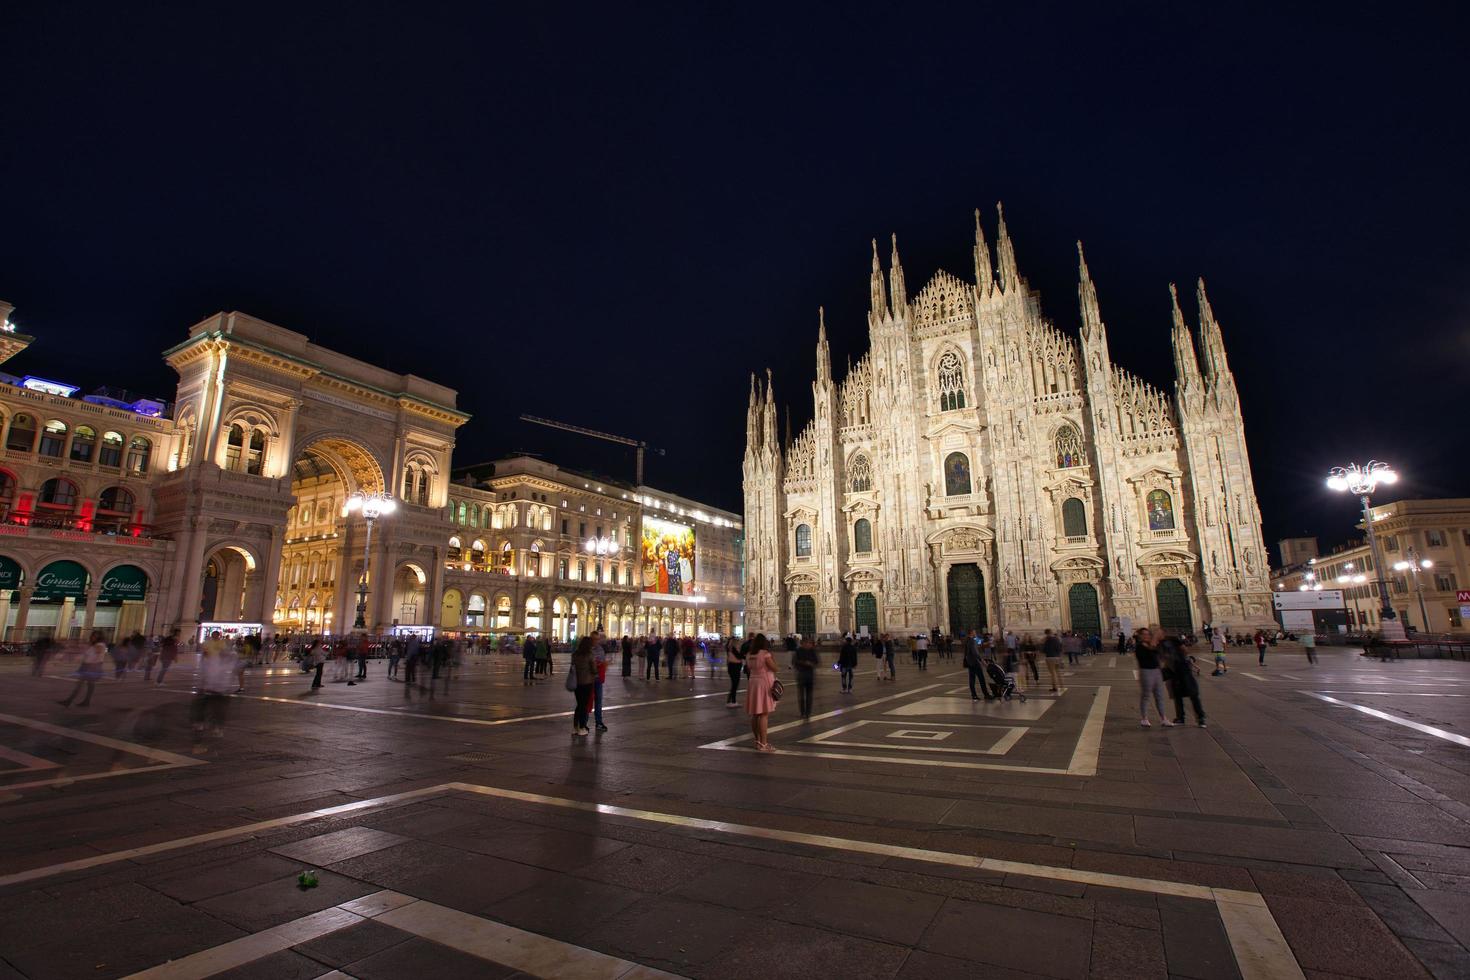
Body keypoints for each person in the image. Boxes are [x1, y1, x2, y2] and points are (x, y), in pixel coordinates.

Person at [1159, 627, 1206, 727]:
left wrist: (1180, 660)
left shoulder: (1172, 639)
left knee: (1191, 694)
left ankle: (1199, 718)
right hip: (1176, 670)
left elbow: (1184, 650)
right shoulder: (1161, 643)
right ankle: (1182, 718)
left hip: (1182, 669)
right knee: (1179, 695)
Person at [744, 633, 779, 752]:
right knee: (764, 714)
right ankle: (764, 743)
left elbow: (748, 668)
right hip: (764, 683)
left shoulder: (749, 655)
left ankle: (758, 741)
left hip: (753, 682)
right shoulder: (765, 654)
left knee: (755, 713)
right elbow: (775, 668)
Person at [1134, 627, 1173, 727]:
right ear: (1140, 636)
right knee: (1146, 695)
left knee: (1159, 695)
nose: (1147, 636)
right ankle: (1144, 718)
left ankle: (1163, 718)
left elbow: (1159, 653)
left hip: (1156, 671)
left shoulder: (1152, 645)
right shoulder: (1139, 647)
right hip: (1146, 672)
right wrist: (1154, 638)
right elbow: (1149, 651)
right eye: (1144, 634)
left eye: (1148, 634)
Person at [59, 632, 108, 708]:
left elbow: (98, 656)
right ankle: (86, 702)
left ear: (99, 637)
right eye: (92, 636)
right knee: (89, 685)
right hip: (86, 666)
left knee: (81, 684)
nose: (93, 637)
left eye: (95, 636)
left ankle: (69, 701)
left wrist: (92, 666)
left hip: (91, 667)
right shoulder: (93, 645)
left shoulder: (100, 645)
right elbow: (87, 655)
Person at [570, 636, 596, 737]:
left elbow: (572, 667)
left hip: (576, 682)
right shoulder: (590, 655)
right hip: (587, 682)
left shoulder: (575, 654)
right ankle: (582, 727)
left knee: (579, 704)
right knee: (584, 705)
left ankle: (575, 727)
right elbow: (594, 669)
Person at [793, 635, 819, 718]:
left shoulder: (812, 651)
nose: (808, 644)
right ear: (802, 643)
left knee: (809, 696)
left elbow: (816, 661)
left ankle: (807, 712)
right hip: (801, 676)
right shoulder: (798, 651)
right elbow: (794, 662)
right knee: (801, 696)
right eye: (806, 643)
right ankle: (802, 712)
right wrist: (804, 663)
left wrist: (811, 664)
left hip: (809, 676)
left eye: (809, 643)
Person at [964, 630, 991, 701]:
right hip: (975, 662)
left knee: (972, 679)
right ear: (972, 633)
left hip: (970, 662)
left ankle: (974, 695)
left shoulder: (967, 640)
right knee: (981, 678)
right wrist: (982, 660)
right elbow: (975, 652)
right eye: (974, 632)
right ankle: (986, 694)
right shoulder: (972, 641)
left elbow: (979, 644)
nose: (975, 633)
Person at [726, 636, 746, 706]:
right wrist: (746, 656)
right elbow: (739, 656)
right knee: (735, 685)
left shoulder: (730, 648)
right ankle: (732, 702)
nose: (739, 643)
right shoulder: (733, 649)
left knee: (734, 685)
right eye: (738, 642)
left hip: (732, 667)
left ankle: (730, 701)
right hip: (734, 667)